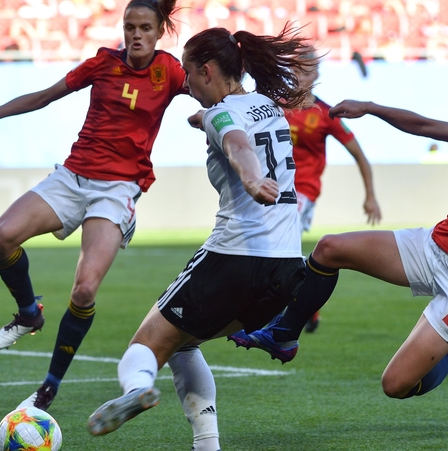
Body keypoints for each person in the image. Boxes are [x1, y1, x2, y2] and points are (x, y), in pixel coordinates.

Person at [230, 20, 448, 400]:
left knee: (396, 385)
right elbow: (425, 126)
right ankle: (284, 335)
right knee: (329, 249)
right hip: (434, 248)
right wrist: (371, 107)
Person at [85, 25, 318, 450]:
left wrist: (250, 180)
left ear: (207, 70)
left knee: (148, 344)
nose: (187, 86)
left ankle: (136, 388)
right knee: (184, 341)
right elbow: (232, 125)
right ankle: (206, 445)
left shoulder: (220, 115)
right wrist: (203, 119)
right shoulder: (268, 104)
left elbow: (236, 143)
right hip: (285, 269)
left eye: (190, 76)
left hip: (235, 259)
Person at [0, 0, 188, 411]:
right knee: (1, 236)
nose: (135, 35)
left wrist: (237, 112)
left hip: (116, 189)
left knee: (83, 290)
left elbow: (211, 90)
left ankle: (48, 388)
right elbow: (44, 97)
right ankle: (29, 313)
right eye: (129, 26)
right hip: (74, 176)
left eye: (145, 28)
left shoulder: (168, 71)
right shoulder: (102, 63)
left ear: (159, 31)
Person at [286, 51, 382, 333]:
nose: (298, 77)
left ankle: (288, 309)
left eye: (304, 71)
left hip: (303, 191)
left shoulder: (326, 115)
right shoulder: (274, 106)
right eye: (294, 70)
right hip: (272, 190)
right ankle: (307, 306)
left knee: (283, 243)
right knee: (278, 249)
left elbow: (359, 155)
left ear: (316, 76)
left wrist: (370, 196)